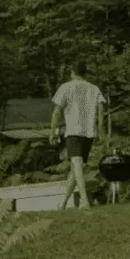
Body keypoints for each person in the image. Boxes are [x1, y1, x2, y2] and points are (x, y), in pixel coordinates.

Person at [49, 61, 105, 210]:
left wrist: (52, 132)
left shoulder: (66, 87)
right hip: (88, 132)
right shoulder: (94, 89)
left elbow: (56, 111)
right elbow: (101, 111)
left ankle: (84, 201)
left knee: (77, 167)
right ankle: (64, 203)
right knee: (76, 168)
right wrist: (100, 131)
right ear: (85, 73)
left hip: (73, 131)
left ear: (72, 73)